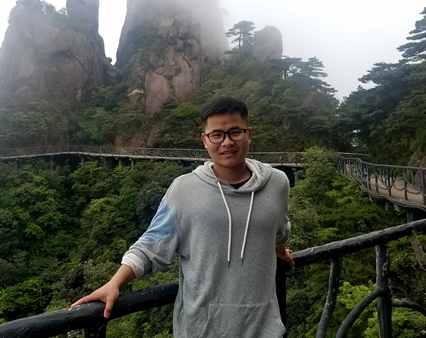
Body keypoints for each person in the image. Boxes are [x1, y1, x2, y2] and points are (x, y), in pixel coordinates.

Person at [72, 97, 294, 337]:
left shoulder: (277, 183)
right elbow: (150, 247)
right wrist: (114, 283)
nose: (227, 142)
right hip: (202, 331)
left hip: (265, 330)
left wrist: (280, 250)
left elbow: (278, 229)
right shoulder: (184, 190)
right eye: (217, 135)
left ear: (248, 134)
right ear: (205, 140)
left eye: (235, 132)